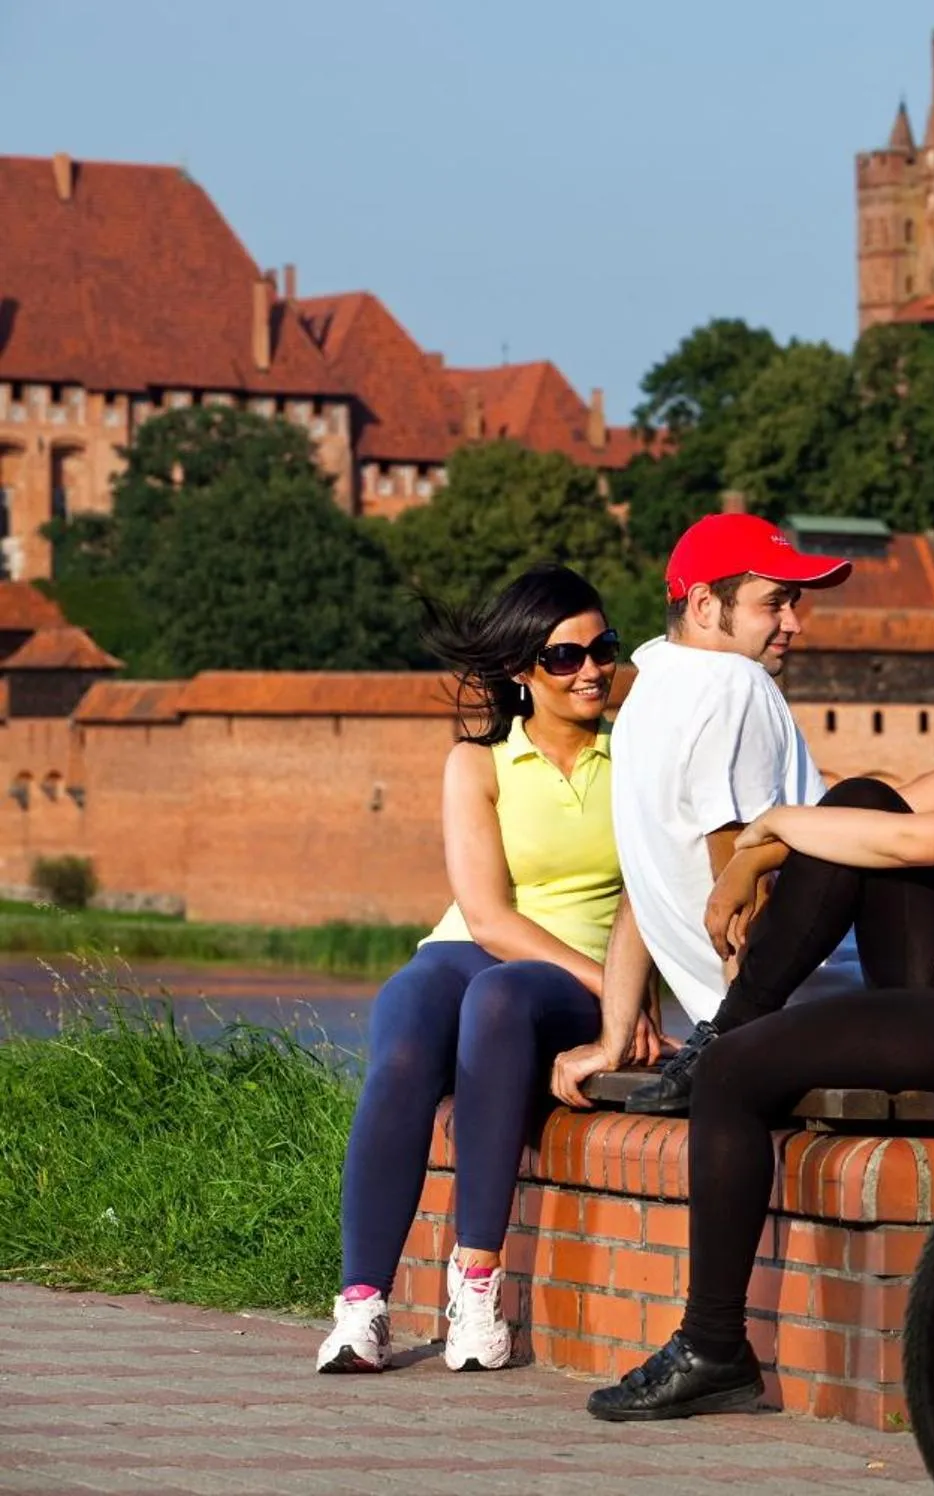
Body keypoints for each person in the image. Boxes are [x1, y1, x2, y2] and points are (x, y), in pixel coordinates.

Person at [576, 553, 934, 1421]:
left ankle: (713, 1347)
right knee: (862, 797)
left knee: (735, 1070)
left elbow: (915, 846)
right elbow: (896, 808)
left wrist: (769, 826)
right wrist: (756, 859)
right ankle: (732, 1024)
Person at [317, 565, 654, 1374]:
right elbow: (488, 918)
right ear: (519, 670)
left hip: (562, 981)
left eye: (603, 648)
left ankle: (475, 1285)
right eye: (565, 656)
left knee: (499, 997)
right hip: (481, 951)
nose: (592, 670)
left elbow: (658, 893)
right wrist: (612, 990)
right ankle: (362, 1306)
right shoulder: (478, 763)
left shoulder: (639, 757)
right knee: (407, 1025)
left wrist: (621, 993)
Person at [548, 513, 862, 1117]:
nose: (794, 623)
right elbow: (742, 895)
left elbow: (642, 884)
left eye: (793, 603)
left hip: (749, 1017)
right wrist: (744, 1056)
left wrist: (614, 1039)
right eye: (773, 604)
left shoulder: (641, 699)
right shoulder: (734, 684)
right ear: (702, 604)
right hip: (823, 1010)